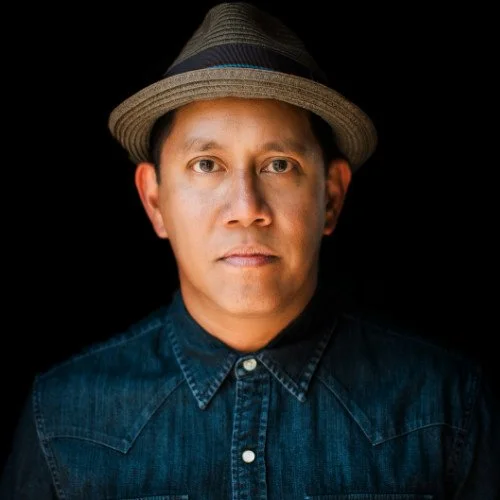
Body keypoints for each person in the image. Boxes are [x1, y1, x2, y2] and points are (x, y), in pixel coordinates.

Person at [1, 2, 498, 498]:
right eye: (206, 164)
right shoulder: (63, 419)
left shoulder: (446, 407)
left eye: (279, 165)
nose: (246, 208)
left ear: (331, 197)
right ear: (154, 201)